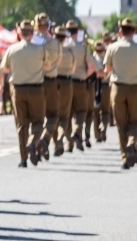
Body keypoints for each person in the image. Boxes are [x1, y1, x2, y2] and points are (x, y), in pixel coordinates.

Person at [0, 20, 50, 168]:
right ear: (33, 33)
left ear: (19, 33)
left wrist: (18, 69)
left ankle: (23, 159)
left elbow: (4, 68)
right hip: (36, 89)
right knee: (38, 122)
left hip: (18, 89)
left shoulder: (12, 49)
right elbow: (47, 66)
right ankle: (32, 143)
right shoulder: (40, 49)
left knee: (22, 125)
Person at [103, 19, 137, 169]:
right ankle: (132, 142)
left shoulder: (112, 47)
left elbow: (107, 70)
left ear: (120, 31)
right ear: (134, 32)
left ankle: (125, 157)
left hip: (117, 88)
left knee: (121, 123)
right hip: (135, 88)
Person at [64, 20, 96, 151]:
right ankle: (77, 132)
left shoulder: (63, 47)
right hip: (80, 82)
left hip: (66, 82)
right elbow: (92, 67)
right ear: (77, 32)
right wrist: (84, 75)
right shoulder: (82, 47)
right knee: (81, 111)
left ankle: (69, 143)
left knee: (67, 113)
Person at [33, 13, 60, 159]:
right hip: (50, 81)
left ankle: (35, 144)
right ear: (48, 25)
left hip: (34, 82)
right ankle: (44, 140)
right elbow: (57, 62)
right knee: (53, 115)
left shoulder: (31, 41)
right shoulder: (54, 42)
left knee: (36, 118)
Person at [54, 26, 75, 156]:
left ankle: (56, 142)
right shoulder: (69, 52)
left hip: (53, 82)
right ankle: (62, 136)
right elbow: (73, 70)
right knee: (64, 115)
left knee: (52, 114)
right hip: (67, 82)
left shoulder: (50, 51)